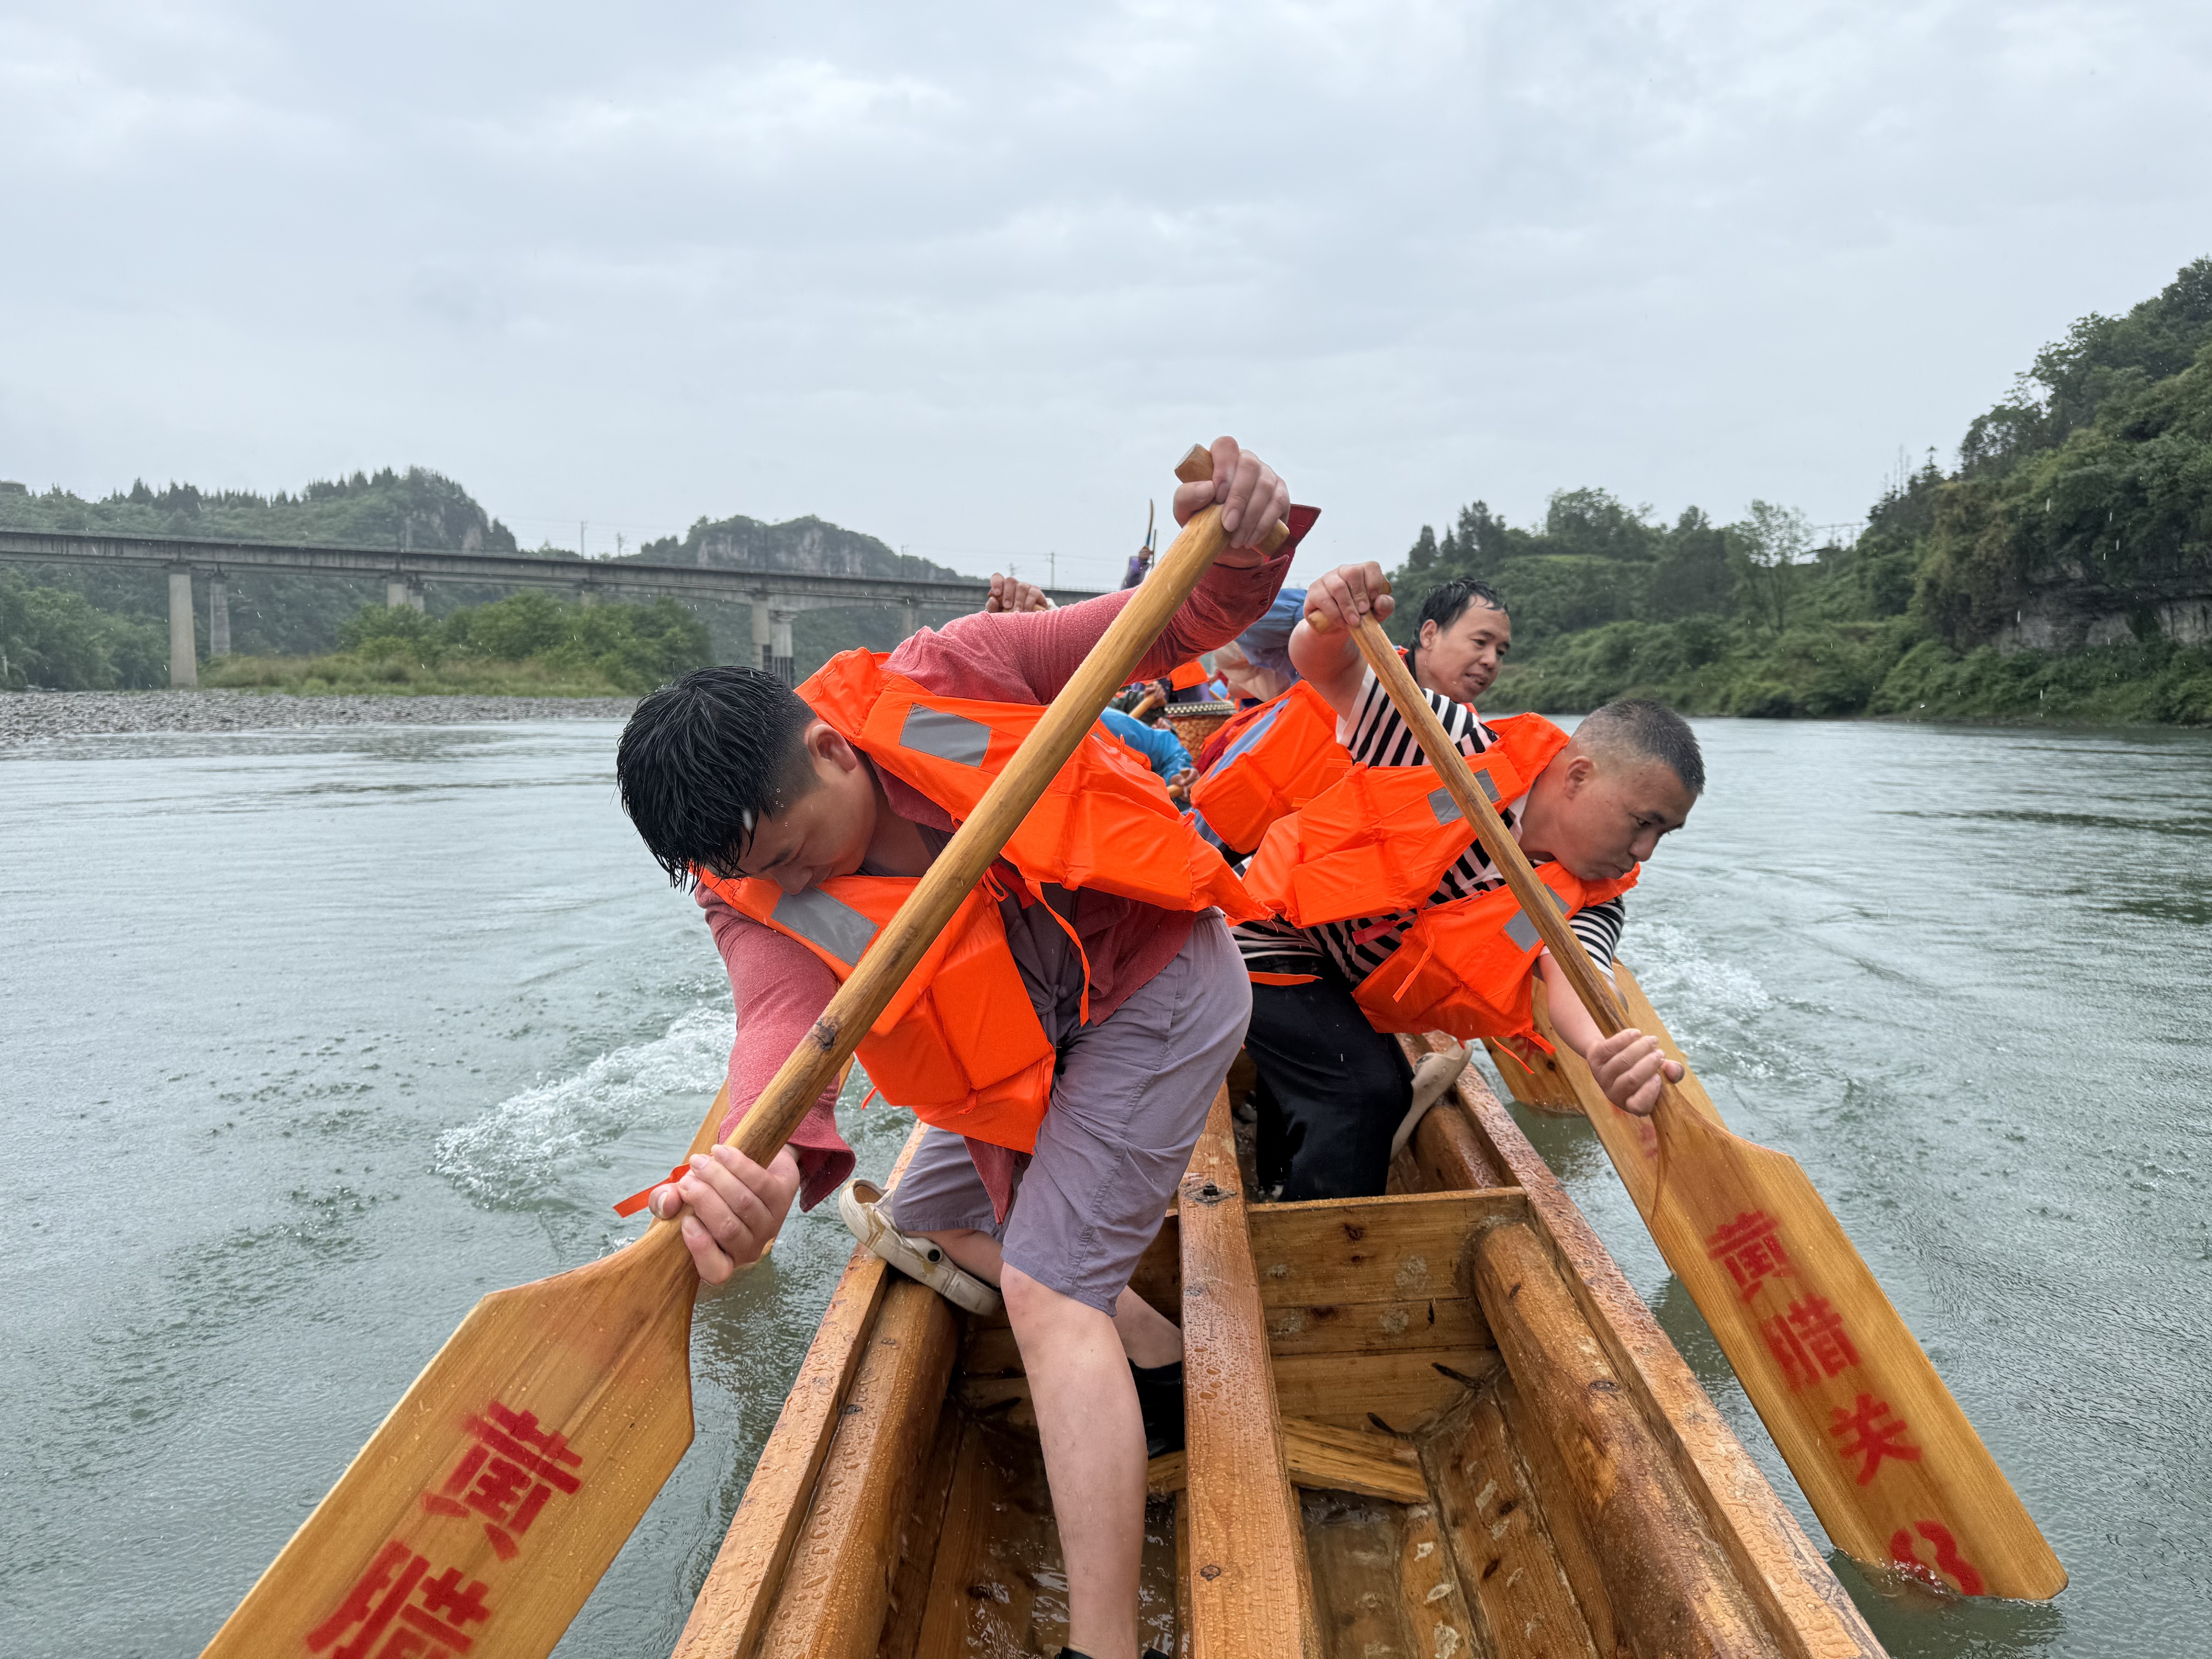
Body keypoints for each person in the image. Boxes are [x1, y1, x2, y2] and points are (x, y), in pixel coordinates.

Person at [615, 439, 1312, 1659]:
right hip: (1035, 1051)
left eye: (788, 854)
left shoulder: (951, 673)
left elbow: (1162, 623)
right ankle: (1150, 1368)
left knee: (1044, 1294)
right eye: (746, 875)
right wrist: (758, 1165)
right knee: (922, 1209)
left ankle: (1105, 1648)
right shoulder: (746, 892)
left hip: (1153, 988)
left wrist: (1244, 539)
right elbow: (782, 1032)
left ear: (830, 748)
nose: (784, 884)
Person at [1231, 564, 1701, 1201]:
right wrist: (1326, 619)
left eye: (1662, 834)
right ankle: (1325, 1258)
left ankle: (1281, 1187)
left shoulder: (1594, 895)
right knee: (1368, 1092)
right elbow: (1331, 669)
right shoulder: (1454, 742)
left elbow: (1577, 977)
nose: (1643, 850)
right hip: (1267, 934)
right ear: (1579, 776)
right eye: (1642, 822)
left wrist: (1601, 1052)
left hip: (1346, 987)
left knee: (1350, 1073)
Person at [1188, 577, 1511, 857]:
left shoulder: (1473, 746)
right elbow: (1246, 619)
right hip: (1217, 836)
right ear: (1429, 635)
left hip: (1300, 894)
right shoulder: (1350, 658)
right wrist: (1326, 608)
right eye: (1480, 642)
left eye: (1500, 652)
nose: (1490, 661)